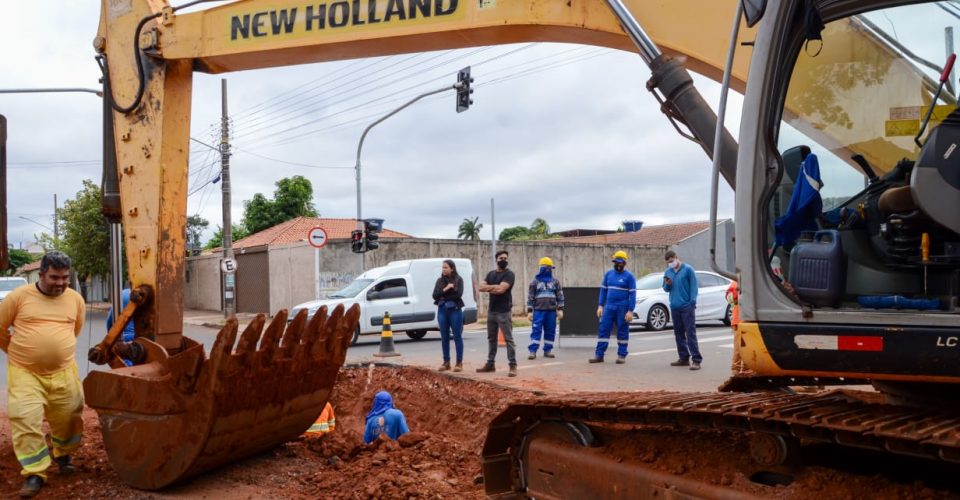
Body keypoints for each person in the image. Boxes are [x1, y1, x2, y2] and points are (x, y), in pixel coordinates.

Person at [0, 252, 85, 498]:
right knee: (25, 419)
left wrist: (57, 350)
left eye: (65, 278)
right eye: (54, 277)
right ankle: (35, 472)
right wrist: (19, 351)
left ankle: (63, 455)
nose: (60, 283)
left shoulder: (75, 299)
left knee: (69, 414)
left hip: (63, 371)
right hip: (25, 371)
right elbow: (0, 328)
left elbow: (75, 328)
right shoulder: (18, 297)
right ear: (41, 274)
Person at [589, 251, 636, 364]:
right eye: (616, 262)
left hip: (622, 307)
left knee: (622, 330)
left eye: (620, 262)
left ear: (625, 263)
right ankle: (599, 355)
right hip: (609, 306)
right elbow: (603, 291)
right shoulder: (608, 274)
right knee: (603, 329)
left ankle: (621, 355)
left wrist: (630, 311)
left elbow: (633, 295)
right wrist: (600, 306)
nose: (618, 264)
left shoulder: (629, 277)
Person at [477, 250, 517, 377]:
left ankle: (512, 365)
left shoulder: (509, 274)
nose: (504, 260)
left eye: (505, 258)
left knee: (508, 339)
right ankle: (490, 364)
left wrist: (491, 288)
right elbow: (480, 287)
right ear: (496, 260)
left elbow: (501, 290)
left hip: (504, 311)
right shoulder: (491, 274)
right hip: (492, 311)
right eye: (501, 258)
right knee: (491, 339)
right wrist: (495, 287)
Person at [663, 250, 703, 370]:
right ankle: (683, 357)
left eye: (671, 261)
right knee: (678, 334)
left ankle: (696, 360)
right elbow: (665, 288)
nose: (671, 264)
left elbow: (693, 287)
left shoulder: (688, 269)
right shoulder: (668, 272)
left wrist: (692, 302)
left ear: (676, 257)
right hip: (675, 306)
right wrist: (668, 284)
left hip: (687, 307)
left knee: (690, 333)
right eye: (668, 262)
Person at [526, 257, 565, 359]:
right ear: (543, 268)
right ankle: (533, 351)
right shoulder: (534, 282)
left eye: (551, 268)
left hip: (551, 311)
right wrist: (530, 311)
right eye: (548, 268)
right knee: (536, 330)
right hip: (538, 311)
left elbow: (560, 295)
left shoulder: (555, 281)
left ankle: (548, 350)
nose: (550, 270)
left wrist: (560, 309)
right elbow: (531, 297)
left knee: (550, 330)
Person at [432, 259, 465, 372]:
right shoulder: (439, 281)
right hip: (442, 310)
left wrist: (442, 296)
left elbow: (458, 295)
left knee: (457, 336)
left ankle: (459, 363)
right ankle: (446, 362)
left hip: (454, 310)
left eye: (446, 267)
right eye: (443, 267)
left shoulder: (458, 279)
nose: (444, 269)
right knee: (444, 337)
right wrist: (446, 289)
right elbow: (435, 295)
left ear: (452, 268)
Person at [105, 288, 137, 366]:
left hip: (124, 342)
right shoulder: (155, 295)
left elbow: (110, 323)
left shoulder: (124, 295)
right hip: (147, 344)